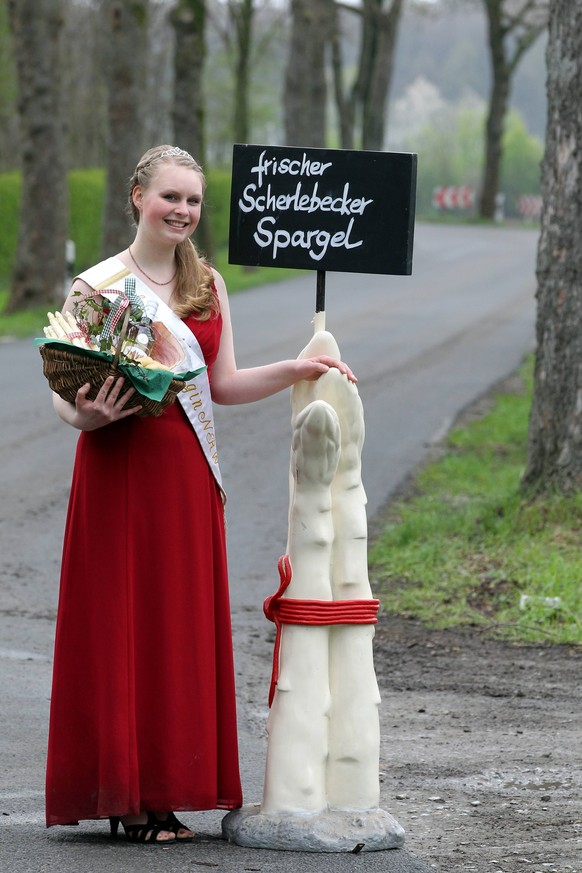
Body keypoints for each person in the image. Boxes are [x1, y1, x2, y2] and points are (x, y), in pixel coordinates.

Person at [45, 144, 356, 845]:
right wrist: (86, 415)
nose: (182, 210)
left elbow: (223, 383)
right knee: (122, 620)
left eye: (193, 200)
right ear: (137, 196)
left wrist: (299, 366)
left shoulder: (206, 285)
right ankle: (127, 795)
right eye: (170, 197)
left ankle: (168, 789)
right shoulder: (96, 287)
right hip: (116, 466)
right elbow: (67, 394)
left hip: (186, 475)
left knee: (175, 626)